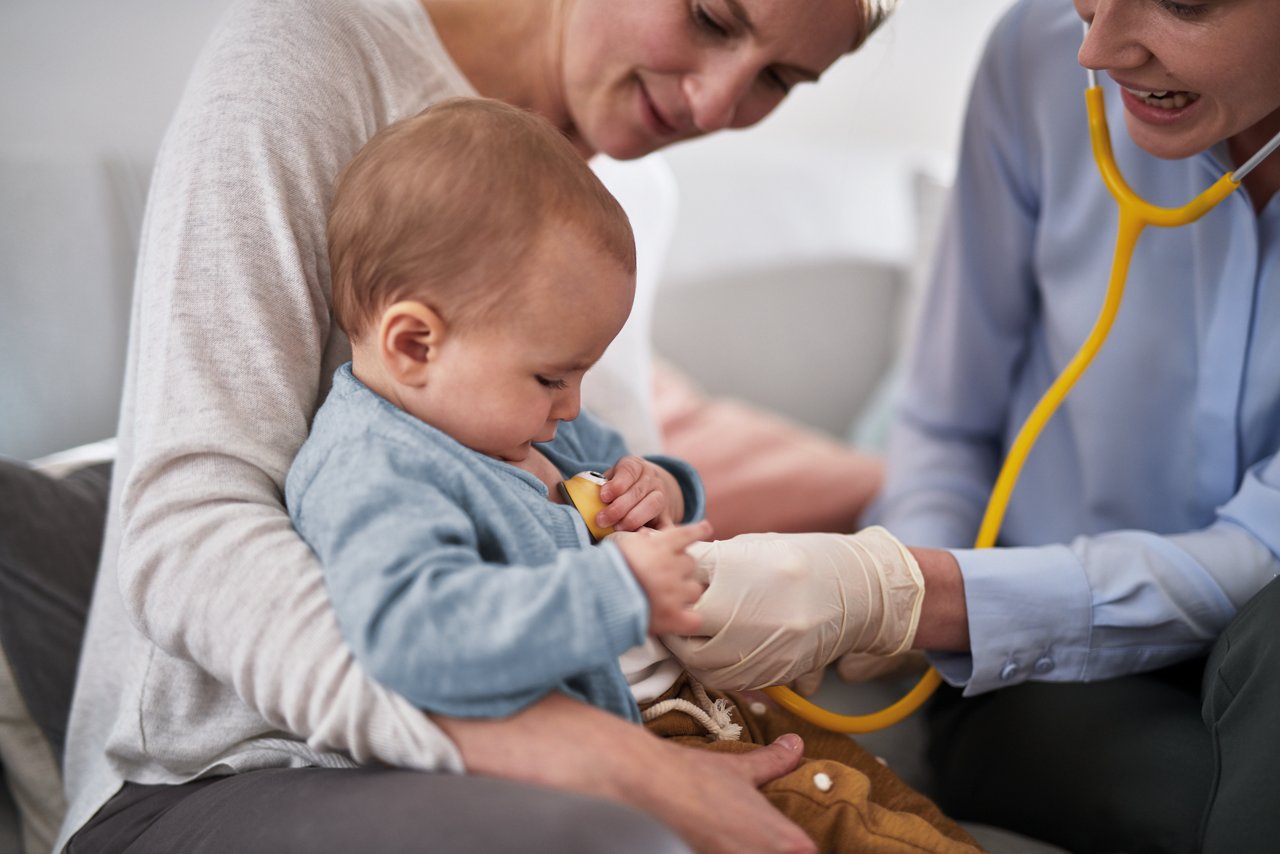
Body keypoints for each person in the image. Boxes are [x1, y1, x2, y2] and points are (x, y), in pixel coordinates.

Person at [58, 0, 904, 852]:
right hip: (229, 770)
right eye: (711, 17)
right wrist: (601, 759)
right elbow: (188, 529)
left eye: (779, 79)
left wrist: (664, 519)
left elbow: (593, 497)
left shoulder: (628, 193)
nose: (717, 106)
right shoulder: (309, 61)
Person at [285, 96, 978, 853]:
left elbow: (630, 476)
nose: (574, 404)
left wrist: (664, 488)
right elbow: (416, 635)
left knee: (902, 814)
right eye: (553, 376)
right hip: (654, 757)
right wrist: (619, 589)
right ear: (415, 343)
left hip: (730, 713)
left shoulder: (516, 414)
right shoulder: (373, 467)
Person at [668, 0, 1280, 852]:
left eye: (1180, 4)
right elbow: (945, 417)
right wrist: (897, 578)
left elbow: (1266, 545)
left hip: (1257, 641)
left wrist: (912, 597)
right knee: (1193, 806)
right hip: (1029, 665)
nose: (1096, 50)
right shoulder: (1036, 53)